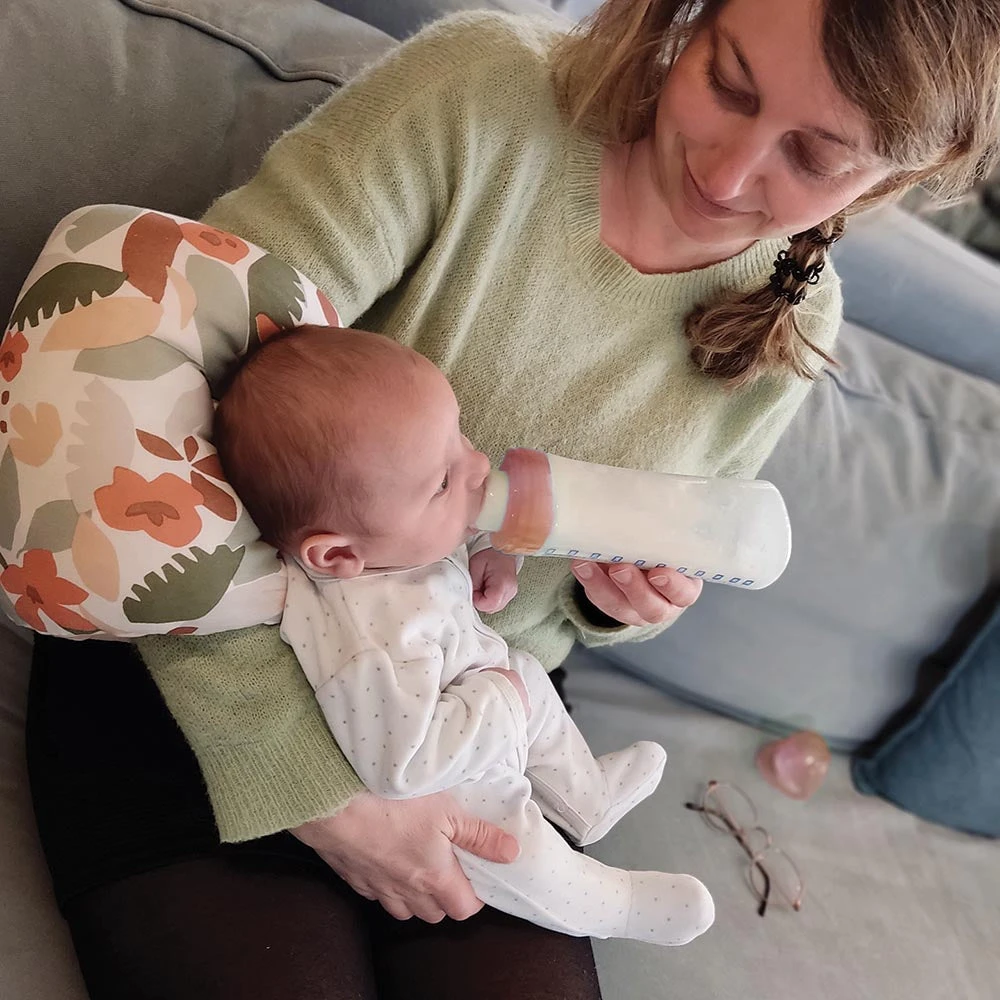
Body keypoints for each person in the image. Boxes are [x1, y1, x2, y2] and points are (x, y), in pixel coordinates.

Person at [25, 1, 1000, 998]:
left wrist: (618, 603)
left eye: (816, 157)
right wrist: (320, 793)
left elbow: (582, 605)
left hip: (470, 710)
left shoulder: (797, 320)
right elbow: (143, 422)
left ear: (895, 177)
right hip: (209, 660)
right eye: (727, 82)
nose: (727, 175)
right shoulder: (481, 94)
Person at [213, 323, 716, 946]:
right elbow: (402, 765)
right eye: (444, 482)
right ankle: (611, 905)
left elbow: (438, 548)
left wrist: (493, 555)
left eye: (458, 436)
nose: (478, 464)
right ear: (336, 555)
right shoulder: (367, 647)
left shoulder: (386, 544)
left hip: (481, 693)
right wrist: (501, 700)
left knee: (529, 675)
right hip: (450, 778)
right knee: (514, 844)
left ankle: (586, 798)